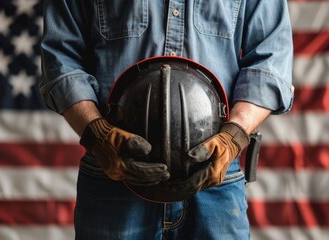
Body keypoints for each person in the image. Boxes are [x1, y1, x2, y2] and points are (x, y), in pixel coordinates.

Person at [40, 1, 294, 239]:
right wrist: (97, 133)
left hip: (216, 177)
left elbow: (271, 57)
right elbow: (61, 56)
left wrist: (234, 136)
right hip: (113, 175)